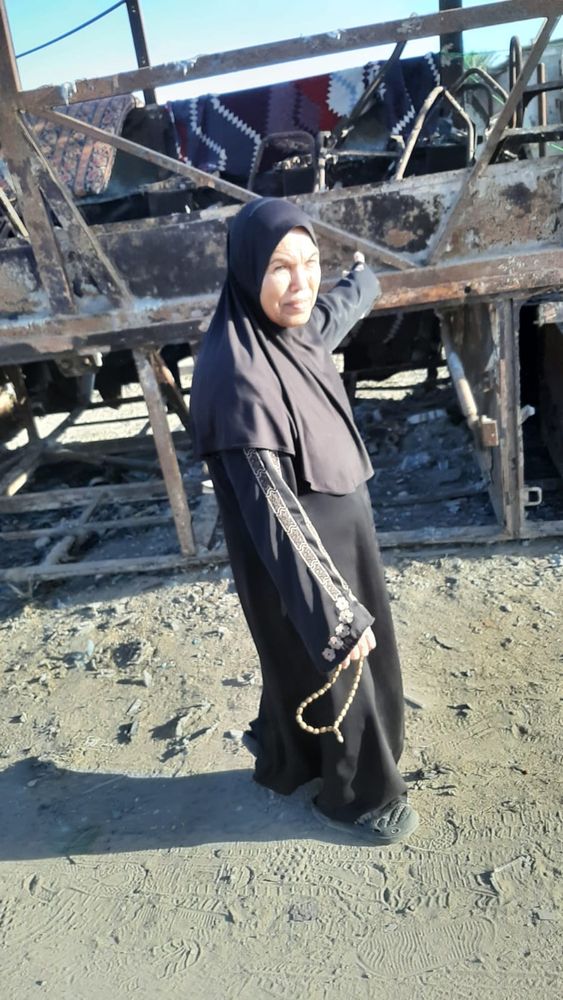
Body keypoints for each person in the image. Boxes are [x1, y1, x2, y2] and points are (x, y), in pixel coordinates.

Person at [190, 197, 419, 844]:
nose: (300, 283)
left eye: (309, 263)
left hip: (341, 529)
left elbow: (328, 313)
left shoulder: (289, 332)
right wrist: (334, 612)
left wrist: (360, 280)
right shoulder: (235, 375)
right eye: (280, 268)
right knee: (341, 660)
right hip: (305, 552)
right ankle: (360, 798)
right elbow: (272, 507)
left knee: (301, 657)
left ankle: (285, 755)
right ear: (245, 271)